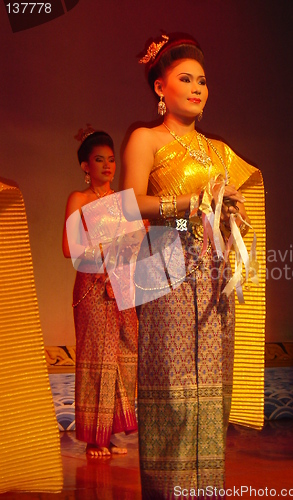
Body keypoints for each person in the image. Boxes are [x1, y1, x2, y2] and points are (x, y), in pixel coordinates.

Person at [122, 33, 266, 498]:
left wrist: (231, 214)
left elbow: (223, 209)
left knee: (212, 389)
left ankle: (206, 490)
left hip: (213, 276)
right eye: (185, 78)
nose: (197, 87)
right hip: (166, 269)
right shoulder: (146, 139)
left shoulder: (219, 149)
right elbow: (127, 207)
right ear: (160, 88)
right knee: (174, 388)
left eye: (202, 80)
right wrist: (188, 203)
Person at [62, 128, 138, 458]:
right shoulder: (79, 200)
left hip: (122, 285)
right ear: (85, 166)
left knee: (123, 358)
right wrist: (106, 247)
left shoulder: (124, 200)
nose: (108, 166)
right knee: (98, 358)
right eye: (99, 160)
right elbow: (69, 248)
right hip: (92, 287)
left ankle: (108, 435)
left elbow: (143, 239)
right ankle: (94, 439)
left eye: (111, 160)